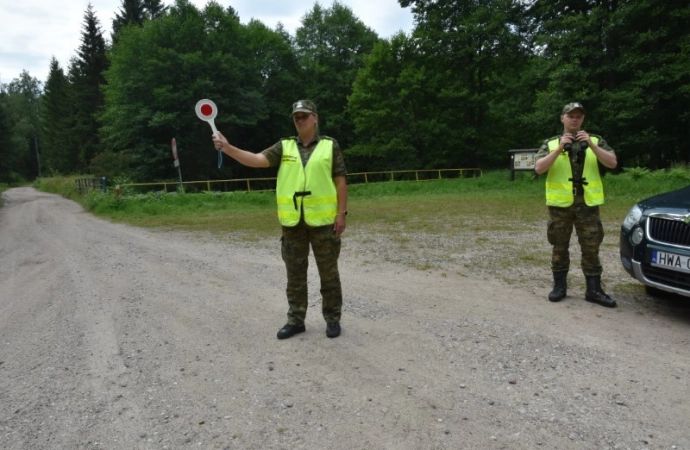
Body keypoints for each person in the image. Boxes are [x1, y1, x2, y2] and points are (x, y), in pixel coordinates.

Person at [212, 100, 348, 339]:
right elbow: (257, 160)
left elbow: (340, 181)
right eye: (296, 117)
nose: (299, 120)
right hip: (293, 222)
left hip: (324, 222)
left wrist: (341, 214)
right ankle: (296, 320)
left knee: (329, 274)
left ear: (315, 118)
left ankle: (333, 320)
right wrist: (228, 148)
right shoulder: (284, 146)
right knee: (295, 275)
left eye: (304, 116)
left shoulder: (330, 145)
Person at [534, 102, 618, 308]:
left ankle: (594, 290)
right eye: (570, 116)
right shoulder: (551, 143)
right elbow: (538, 168)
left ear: (583, 120)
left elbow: (612, 163)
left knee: (591, 247)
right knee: (559, 246)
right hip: (560, 205)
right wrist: (560, 148)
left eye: (578, 116)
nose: (574, 119)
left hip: (587, 204)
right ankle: (559, 287)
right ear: (562, 118)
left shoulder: (596, 140)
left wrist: (592, 145)